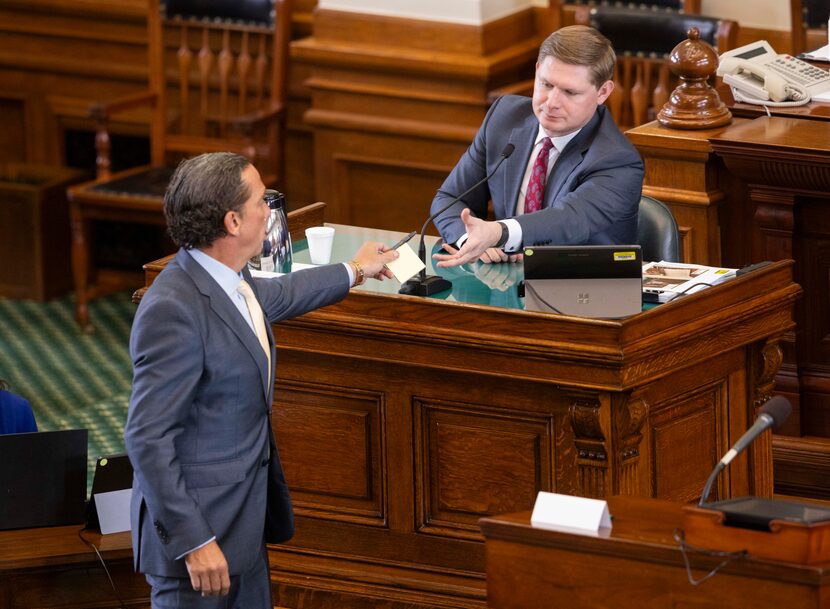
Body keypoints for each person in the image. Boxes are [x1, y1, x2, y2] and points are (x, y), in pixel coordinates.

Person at [124, 152, 398, 608]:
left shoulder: (230, 276)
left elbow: (278, 294)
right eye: (260, 202)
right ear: (233, 222)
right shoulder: (172, 307)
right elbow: (147, 437)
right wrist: (194, 540)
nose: (270, 211)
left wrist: (354, 270)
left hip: (244, 526)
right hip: (200, 545)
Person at [431, 25, 644, 269]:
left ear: (602, 92)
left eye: (570, 92)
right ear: (536, 72)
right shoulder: (504, 117)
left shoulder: (618, 160)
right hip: (506, 286)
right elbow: (449, 198)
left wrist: (498, 233)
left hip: (582, 291)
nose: (552, 102)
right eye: (546, 84)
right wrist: (473, 241)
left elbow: (568, 220)